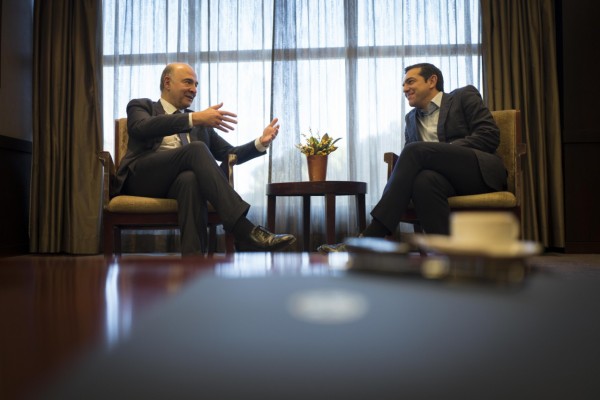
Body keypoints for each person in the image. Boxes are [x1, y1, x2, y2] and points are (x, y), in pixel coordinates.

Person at [318, 63, 507, 252]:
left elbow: (489, 134)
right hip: (443, 182)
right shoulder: (410, 119)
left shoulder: (463, 96)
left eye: (410, 82)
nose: (405, 89)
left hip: (478, 173)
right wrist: (430, 155)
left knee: (414, 151)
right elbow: (414, 163)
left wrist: (442, 151)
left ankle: (371, 235)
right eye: (403, 85)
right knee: (423, 181)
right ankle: (447, 255)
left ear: (432, 81)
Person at [114, 62, 296, 255]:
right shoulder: (142, 106)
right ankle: (242, 228)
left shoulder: (200, 122)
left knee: (191, 180)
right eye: (188, 82)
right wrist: (193, 119)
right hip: (141, 179)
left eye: (196, 85)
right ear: (167, 83)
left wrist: (261, 142)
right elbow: (140, 127)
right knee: (196, 149)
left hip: (175, 185)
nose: (194, 90)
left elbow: (229, 154)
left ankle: (193, 262)